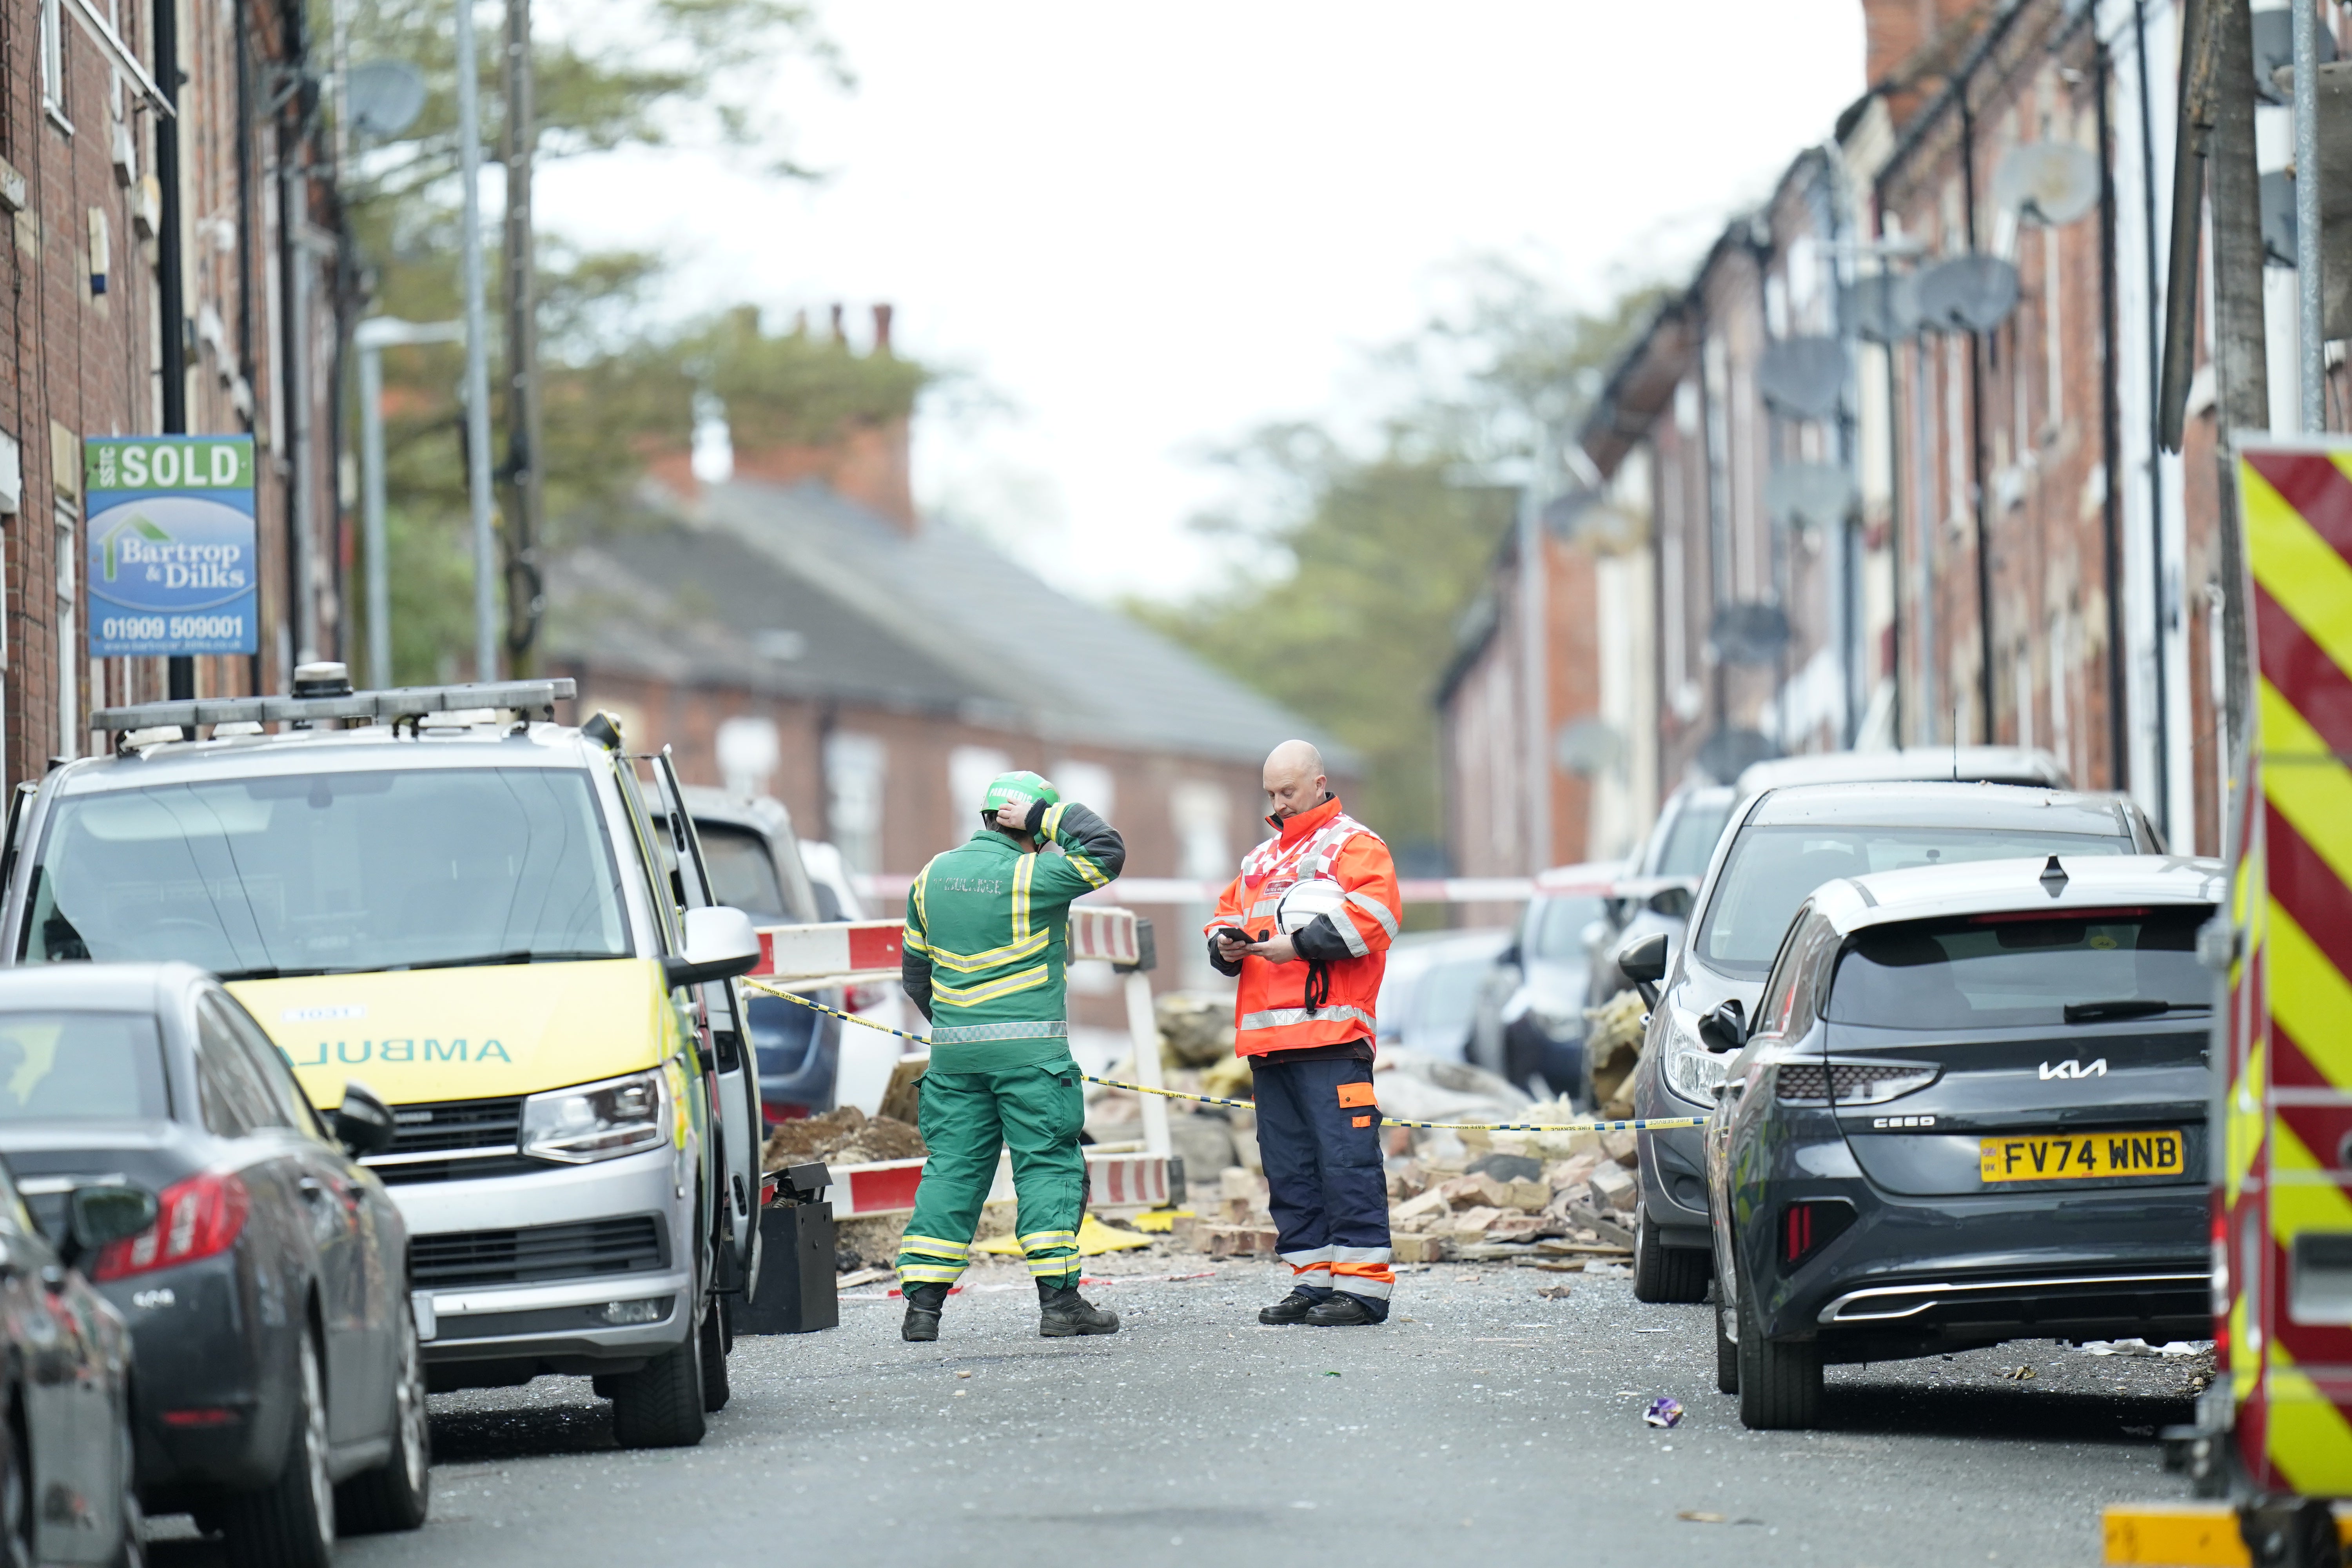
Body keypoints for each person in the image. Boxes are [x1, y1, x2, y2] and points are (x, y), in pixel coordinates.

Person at [894, 769, 1127, 1342]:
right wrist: (1045, 817)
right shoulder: (1035, 875)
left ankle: (922, 1312)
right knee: (1047, 1165)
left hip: (954, 1058)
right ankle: (1061, 1305)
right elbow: (1106, 850)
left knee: (952, 1171)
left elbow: (914, 974)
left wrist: (958, 1029)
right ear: (1030, 826)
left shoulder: (931, 876)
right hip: (1031, 1059)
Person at [1206, 739, 1402, 1327]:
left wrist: (1298, 944)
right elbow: (1222, 915)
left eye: (1287, 791)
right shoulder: (1259, 860)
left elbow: (1378, 916)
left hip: (1333, 1039)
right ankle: (1312, 1281)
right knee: (1289, 1169)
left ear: (1319, 783)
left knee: (1347, 1163)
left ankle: (1364, 1290)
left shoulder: (1355, 845)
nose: (1278, 803)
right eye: (1270, 793)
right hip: (1270, 1046)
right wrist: (1224, 944)